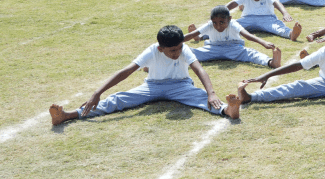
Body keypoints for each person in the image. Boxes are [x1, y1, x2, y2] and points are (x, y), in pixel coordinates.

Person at [49, 25, 241, 125]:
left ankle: (228, 111)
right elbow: (126, 72)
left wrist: (211, 93)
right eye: (172, 50)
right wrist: (97, 93)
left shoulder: (183, 49)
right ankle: (67, 115)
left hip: (181, 86)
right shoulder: (151, 51)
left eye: (179, 48)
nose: (177, 53)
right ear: (160, 48)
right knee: (118, 99)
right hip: (152, 87)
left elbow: (199, 70)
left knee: (202, 98)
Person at [183, 6, 281, 68]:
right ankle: (197, 38)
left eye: (222, 22)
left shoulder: (233, 23)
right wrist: (174, 41)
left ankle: (271, 62)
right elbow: (191, 35)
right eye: (215, 23)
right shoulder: (209, 24)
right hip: (213, 49)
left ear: (229, 19)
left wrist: (263, 42)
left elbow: (247, 35)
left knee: (251, 54)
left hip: (234, 48)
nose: (218, 26)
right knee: (191, 52)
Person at [227, 0, 302, 40]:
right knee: (230, 25)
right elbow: (233, 4)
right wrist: (220, 11)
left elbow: (276, 3)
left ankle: (291, 34)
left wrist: (285, 13)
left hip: (267, 19)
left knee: (277, 28)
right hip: (247, 19)